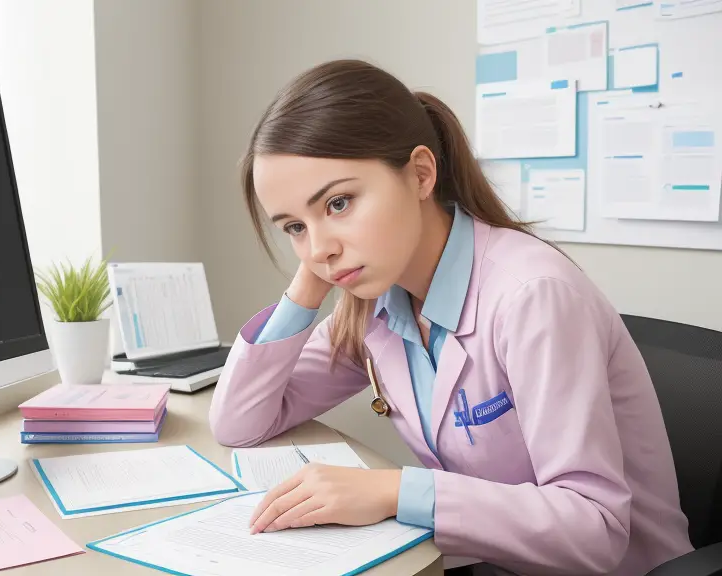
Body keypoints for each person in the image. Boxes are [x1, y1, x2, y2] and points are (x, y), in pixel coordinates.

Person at [208, 59, 693, 575]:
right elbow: (240, 423)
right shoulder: (377, 306)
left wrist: (396, 490)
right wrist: (309, 281)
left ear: (420, 174)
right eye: (293, 226)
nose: (318, 246)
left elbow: (595, 530)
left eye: (339, 202)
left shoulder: (532, 296)